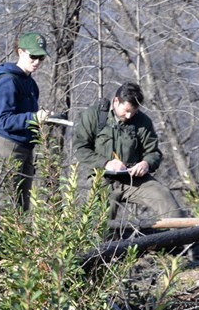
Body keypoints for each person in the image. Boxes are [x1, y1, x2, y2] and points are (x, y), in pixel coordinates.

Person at [73, 81, 187, 227]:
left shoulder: (142, 121)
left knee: (164, 196)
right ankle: (101, 248)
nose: (128, 115)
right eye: (126, 110)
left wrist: (146, 163)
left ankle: (190, 245)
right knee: (97, 222)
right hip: (101, 179)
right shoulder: (94, 116)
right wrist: (106, 163)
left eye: (133, 112)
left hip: (133, 179)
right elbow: (80, 148)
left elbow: (153, 152)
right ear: (116, 101)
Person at [0, 31, 49, 214]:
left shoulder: (30, 84)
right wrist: (34, 118)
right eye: (33, 56)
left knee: (21, 213)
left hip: (25, 150)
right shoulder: (7, 81)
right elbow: (4, 120)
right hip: (5, 151)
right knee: (3, 213)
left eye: (41, 58)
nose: (37, 62)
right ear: (21, 52)